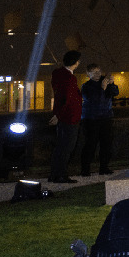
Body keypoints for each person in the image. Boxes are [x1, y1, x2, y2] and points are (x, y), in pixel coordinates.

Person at [80, 63, 119, 176]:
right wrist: (102, 88)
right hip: (91, 119)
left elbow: (115, 93)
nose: (97, 74)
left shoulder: (104, 81)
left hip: (106, 117)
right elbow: (93, 100)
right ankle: (85, 169)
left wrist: (112, 84)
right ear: (88, 74)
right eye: (94, 72)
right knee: (90, 144)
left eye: (99, 71)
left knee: (106, 144)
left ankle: (104, 167)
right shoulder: (86, 86)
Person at [49, 50, 82, 183]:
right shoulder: (69, 77)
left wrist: (57, 114)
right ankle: (61, 175)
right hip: (70, 116)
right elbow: (67, 98)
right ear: (75, 62)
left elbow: (61, 96)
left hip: (63, 115)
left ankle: (54, 174)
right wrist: (59, 115)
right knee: (67, 147)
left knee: (60, 147)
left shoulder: (57, 74)